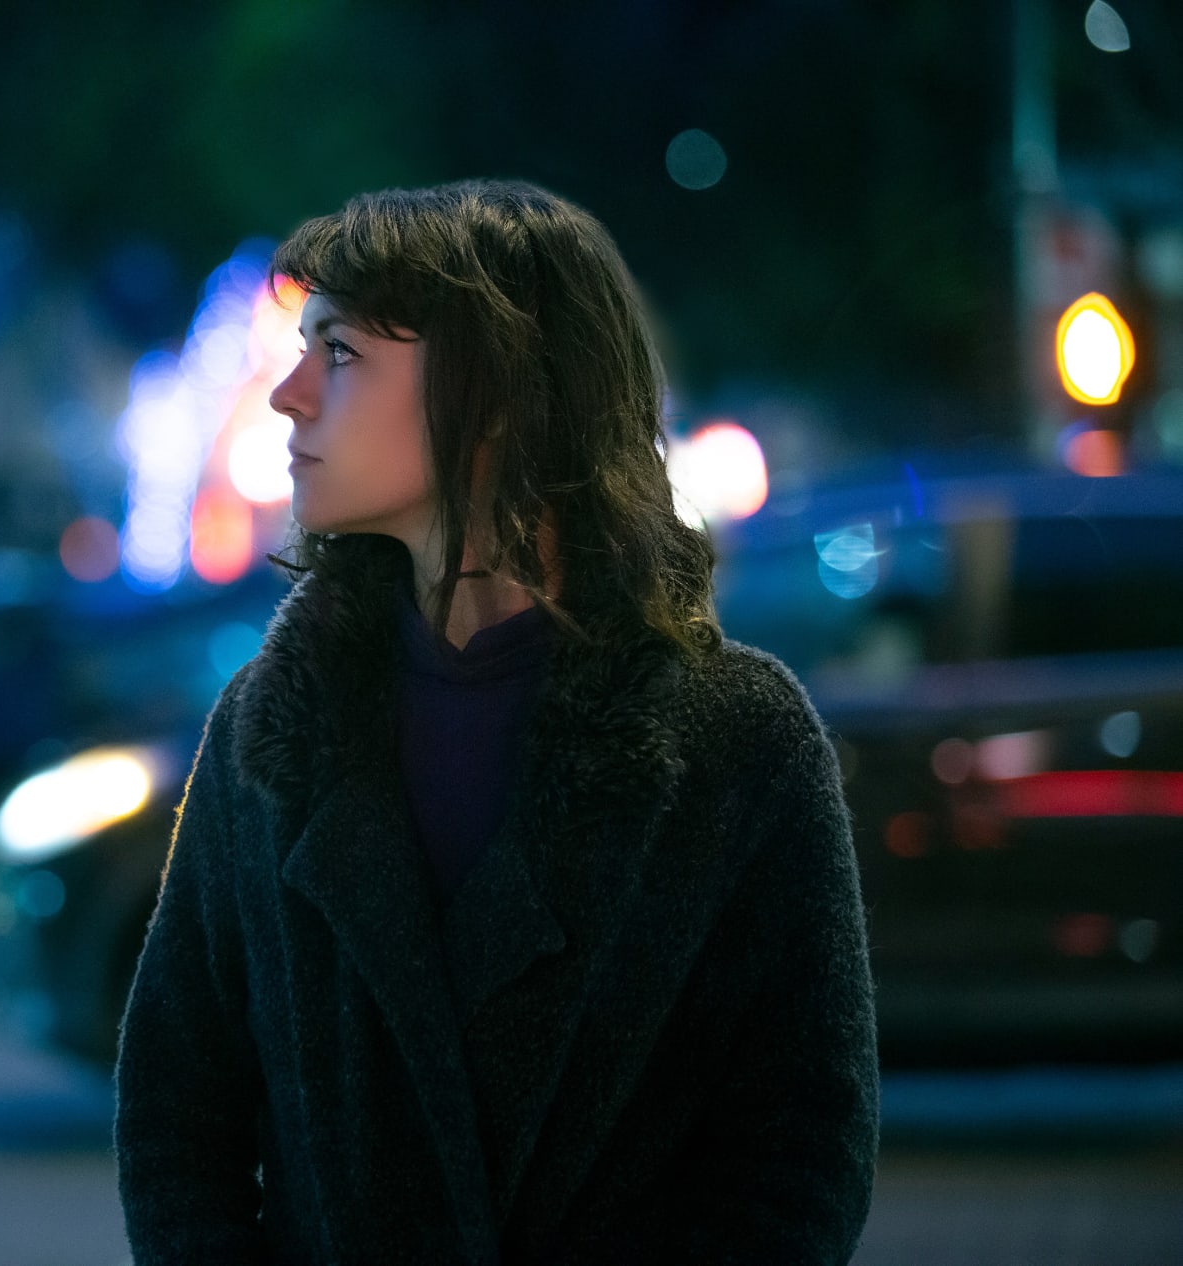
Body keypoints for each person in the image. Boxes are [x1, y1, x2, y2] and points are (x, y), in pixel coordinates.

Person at [113, 179, 879, 1265]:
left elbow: (801, 1144)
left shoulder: (737, 739)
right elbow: (176, 1113)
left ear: (498, 389)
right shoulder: (274, 730)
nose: (285, 395)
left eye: (337, 352)